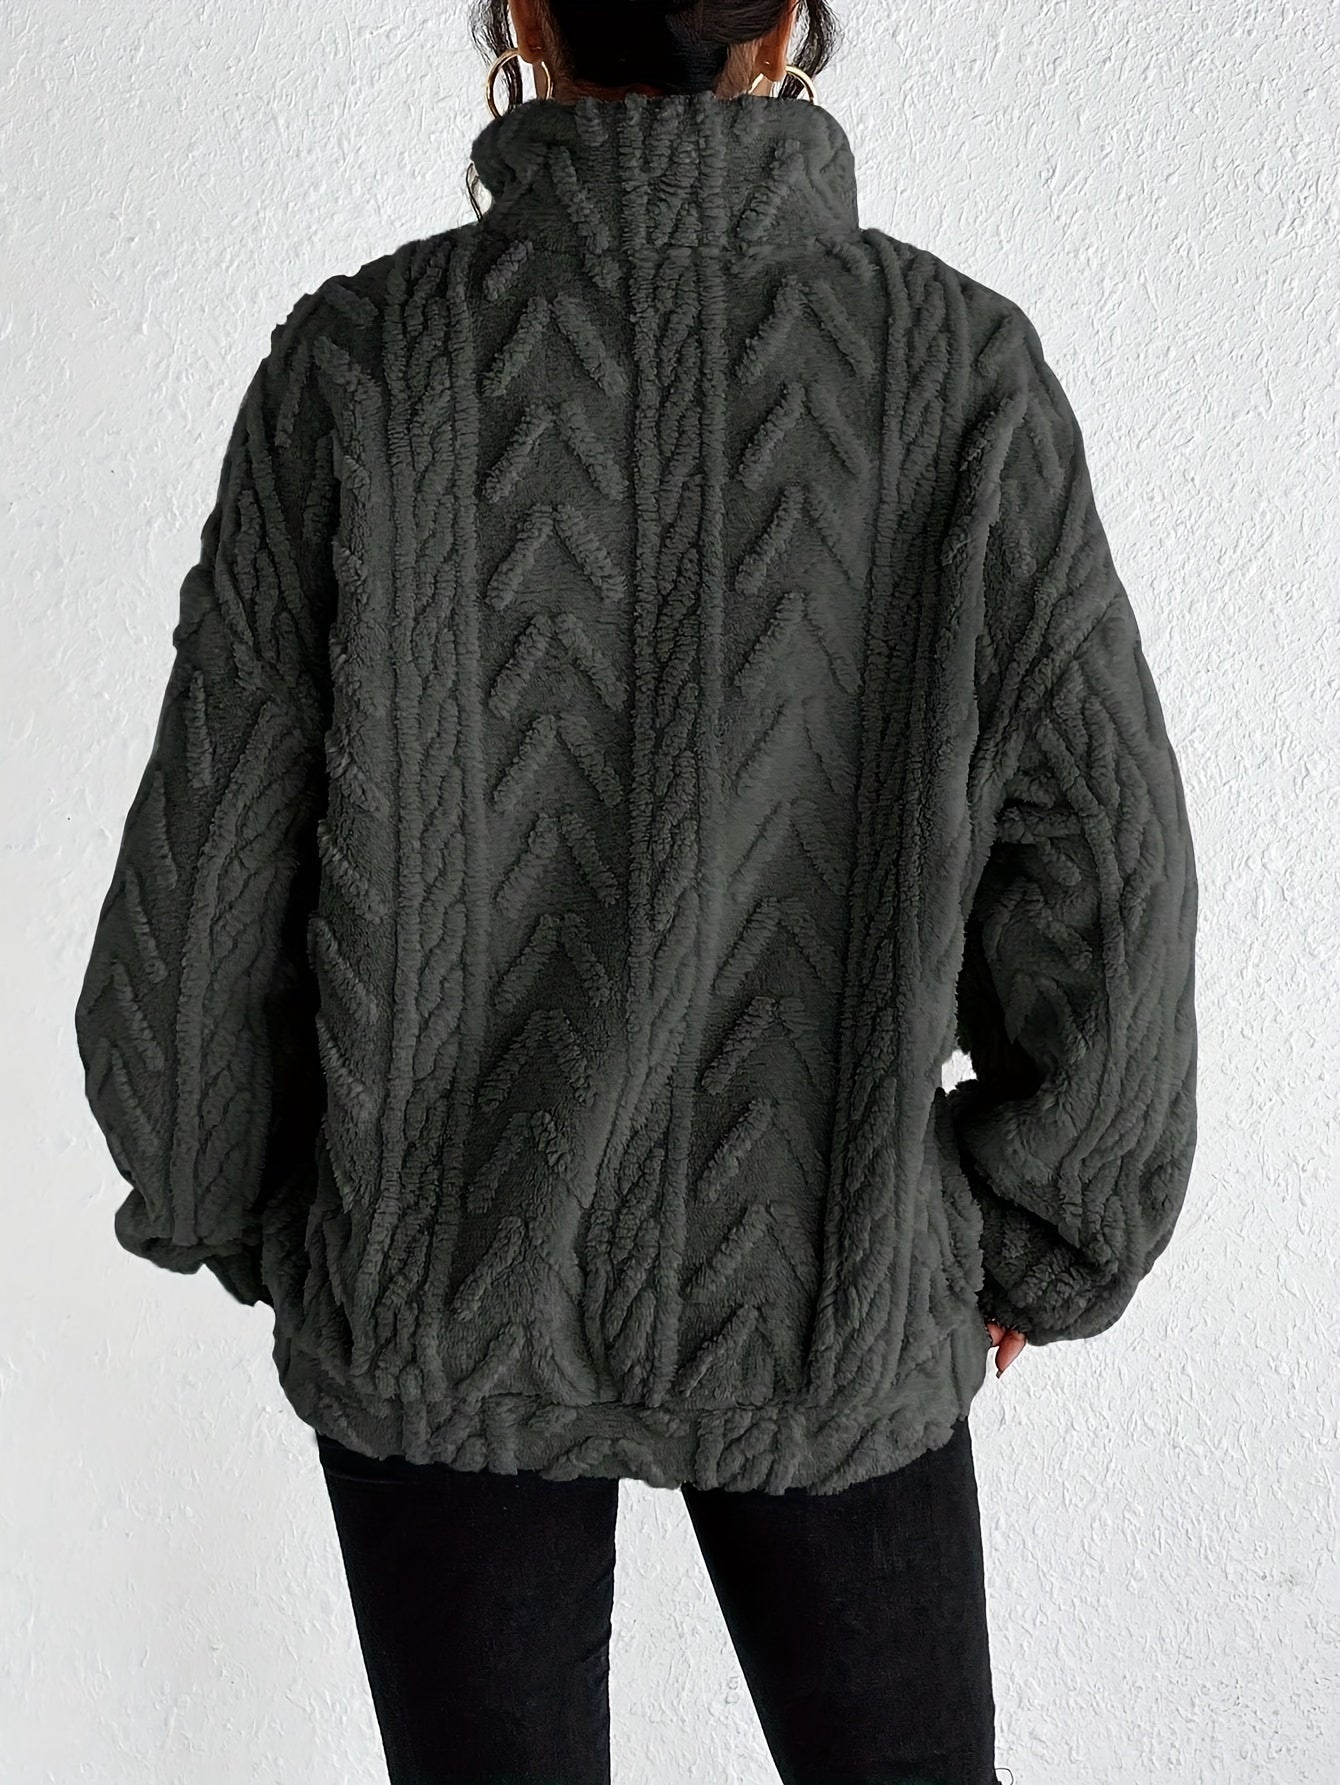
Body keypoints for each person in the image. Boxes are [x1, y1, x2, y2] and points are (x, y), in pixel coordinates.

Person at [72, 1, 1199, 1780]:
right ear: (793, 25)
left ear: (521, 15)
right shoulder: (957, 373)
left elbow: (198, 899)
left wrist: (246, 1205)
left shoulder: (361, 371)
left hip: (442, 1297)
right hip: (833, 1296)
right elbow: (1111, 888)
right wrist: (1043, 1241)